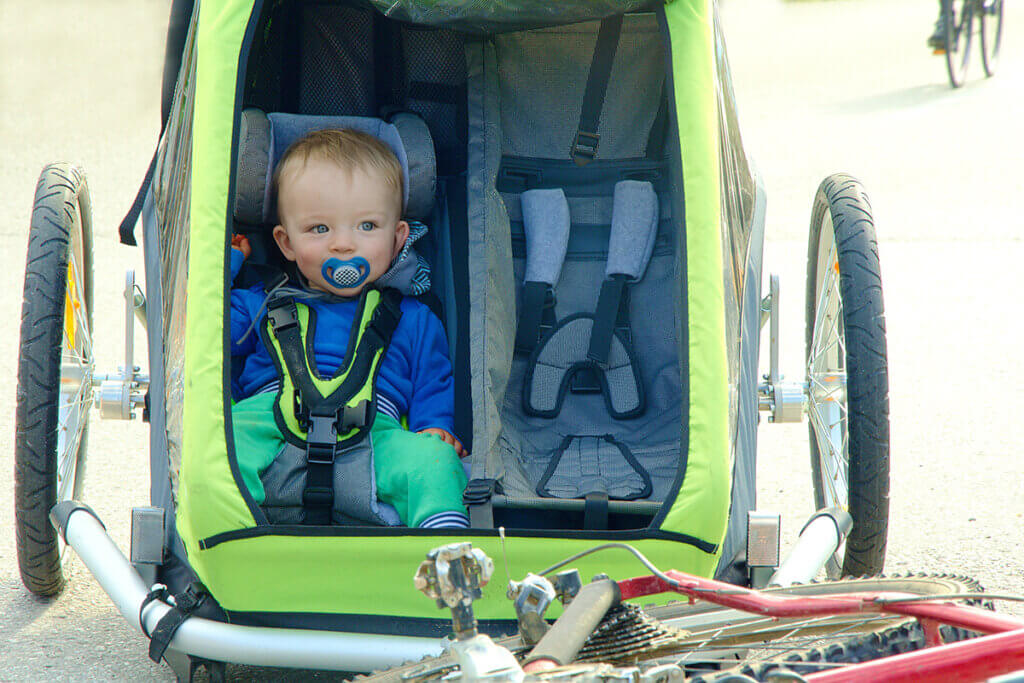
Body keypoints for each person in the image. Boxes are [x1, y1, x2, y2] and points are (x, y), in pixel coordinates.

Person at [229, 128, 469, 529]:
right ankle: (229, 526)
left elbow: (432, 380)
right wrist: (231, 265)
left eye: (367, 227)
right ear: (286, 243)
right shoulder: (260, 301)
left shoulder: (413, 317)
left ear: (398, 239)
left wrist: (435, 427)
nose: (344, 245)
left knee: (434, 461)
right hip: (268, 420)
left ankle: (444, 549)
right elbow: (206, 329)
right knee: (220, 445)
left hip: (378, 432)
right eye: (320, 229)